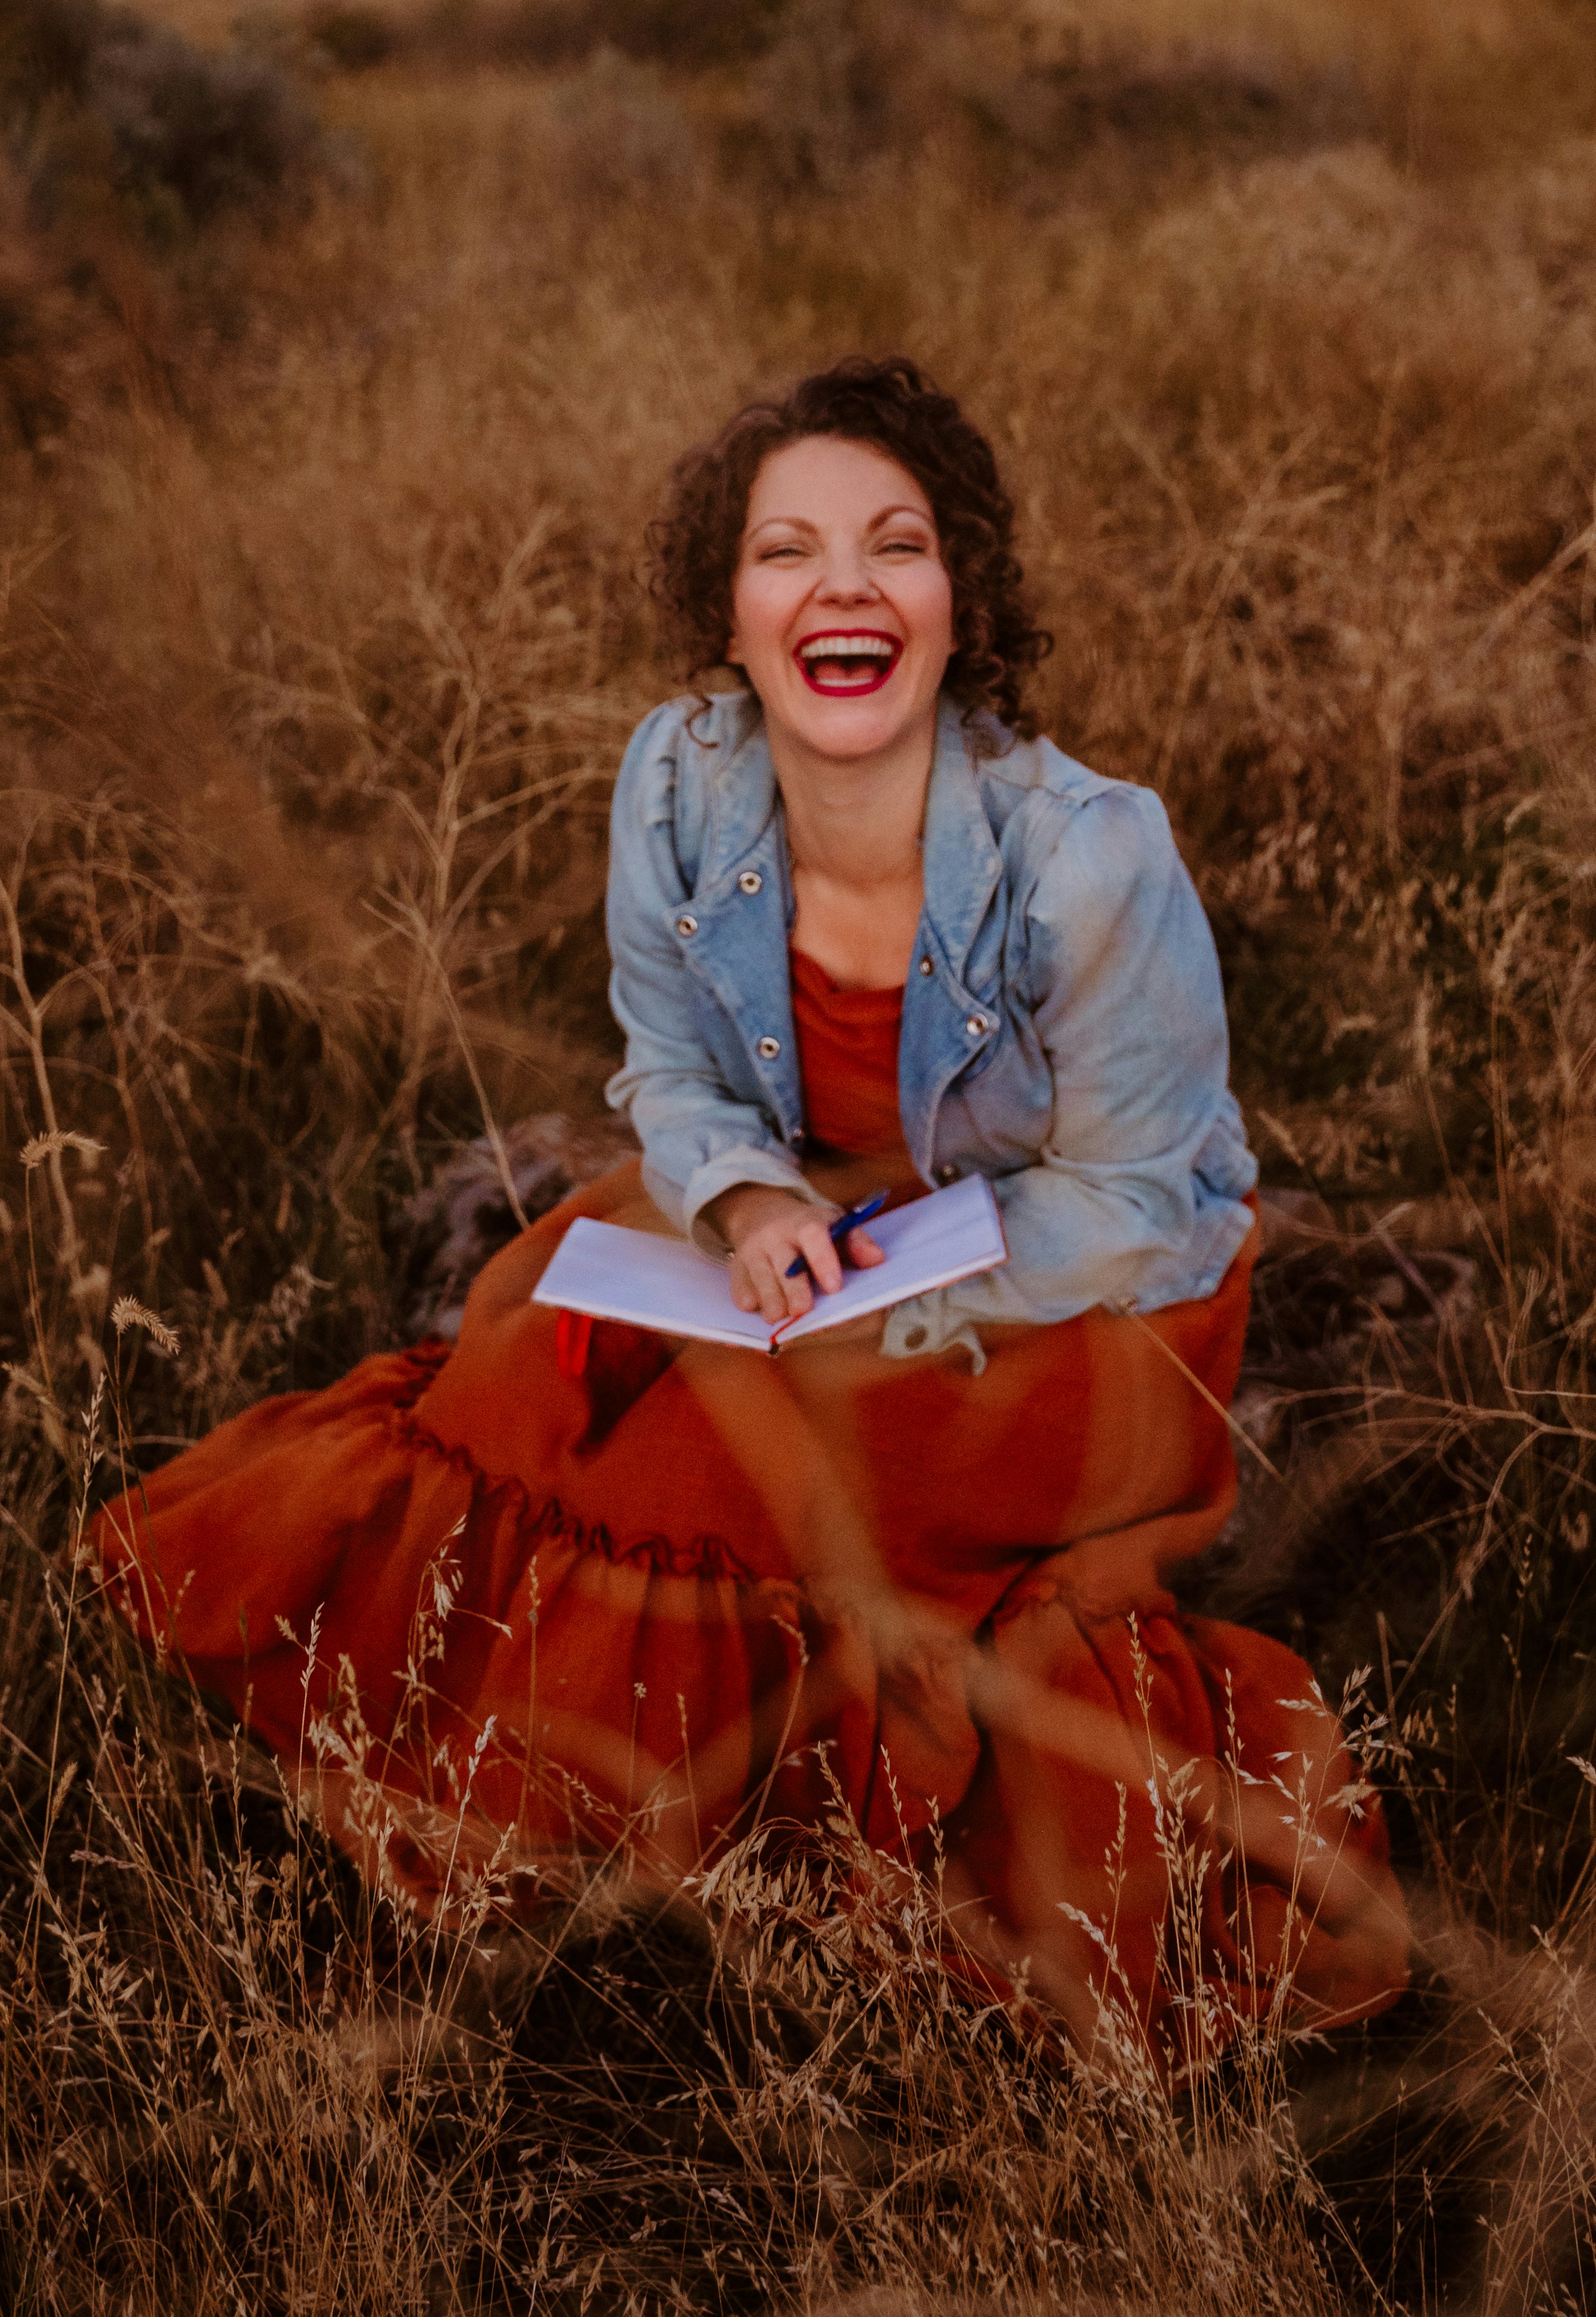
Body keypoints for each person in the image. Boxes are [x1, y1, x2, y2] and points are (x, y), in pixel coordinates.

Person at [95, 357, 1408, 2068]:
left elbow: (1145, 1202)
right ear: (729, 610)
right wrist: (750, 1193)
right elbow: (674, 1072)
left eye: (898, 544)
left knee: (751, 1460)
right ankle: (570, 1828)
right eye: (788, 550)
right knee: (537, 1351)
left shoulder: (1091, 853)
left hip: (1072, 1293)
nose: (844, 585)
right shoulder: (676, 782)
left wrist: (899, 1298)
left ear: (962, 600)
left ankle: (744, 1850)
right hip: (830, 1221)